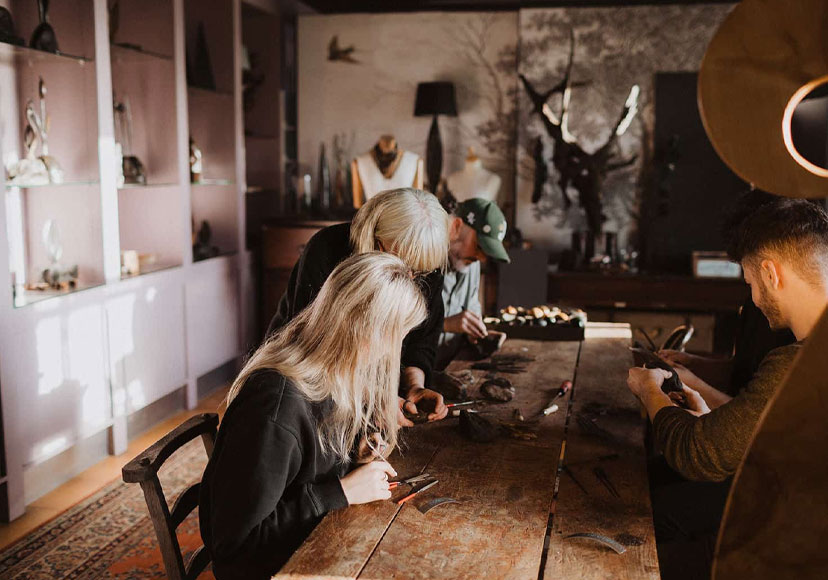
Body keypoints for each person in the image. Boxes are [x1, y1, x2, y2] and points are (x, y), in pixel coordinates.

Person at [626, 197, 828, 579]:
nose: (752, 297)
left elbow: (698, 454)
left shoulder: (799, 362)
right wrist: (713, 421)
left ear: (771, 274)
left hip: (783, 552)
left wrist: (649, 392)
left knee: (624, 556)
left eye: (751, 283)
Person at [200, 253, 428, 579]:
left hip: (314, 546)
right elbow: (235, 548)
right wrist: (343, 492)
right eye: (396, 336)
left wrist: (354, 449)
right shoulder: (275, 407)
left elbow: (307, 464)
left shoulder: (331, 374)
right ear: (364, 330)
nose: (394, 350)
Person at [267, 187, 449, 426]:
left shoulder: (425, 267)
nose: (412, 278)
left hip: (380, 393)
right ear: (377, 241)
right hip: (306, 385)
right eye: (405, 266)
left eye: (421, 271)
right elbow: (317, 351)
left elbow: (421, 338)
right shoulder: (326, 250)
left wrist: (414, 386)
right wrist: (374, 399)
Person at [437, 198, 511, 368]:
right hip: (412, 377)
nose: (482, 258)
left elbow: (471, 309)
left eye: (486, 252)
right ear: (456, 226)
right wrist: (446, 324)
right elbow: (394, 325)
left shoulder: (472, 264)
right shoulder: (423, 262)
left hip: (453, 367)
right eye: (478, 246)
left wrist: (475, 334)